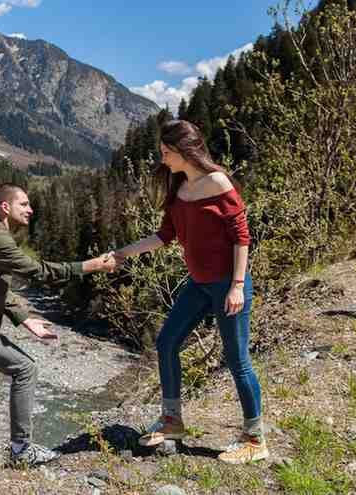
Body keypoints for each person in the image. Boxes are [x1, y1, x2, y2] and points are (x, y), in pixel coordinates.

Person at [110, 120, 268, 464]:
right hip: (199, 283)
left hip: (229, 284)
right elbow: (165, 236)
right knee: (166, 342)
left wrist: (238, 286)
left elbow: (242, 236)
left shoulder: (218, 182)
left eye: (166, 152)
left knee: (237, 361)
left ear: (184, 151)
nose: (162, 158)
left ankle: (255, 439)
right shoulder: (178, 187)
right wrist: (124, 252)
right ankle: (172, 421)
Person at [0, 183, 116, 470]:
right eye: (24, 204)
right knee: (25, 368)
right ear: (5, 207)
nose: (31, 209)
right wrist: (91, 265)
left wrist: (25, 319)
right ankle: (21, 450)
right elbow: (41, 272)